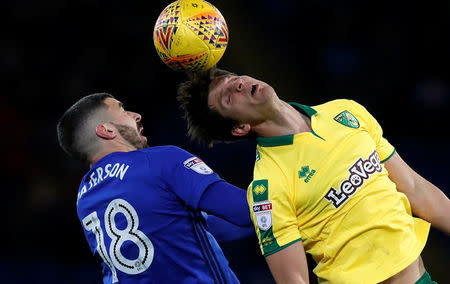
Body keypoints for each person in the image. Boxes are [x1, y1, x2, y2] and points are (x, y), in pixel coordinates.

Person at [176, 67, 450, 284]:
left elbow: (415, 188)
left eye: (232, 77)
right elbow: (294, 280)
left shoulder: (346, 111)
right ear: (240, 127)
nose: (236, 84)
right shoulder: (268, 186)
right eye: (227, 97)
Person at [56, 93, 254, 283]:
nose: (136, 115)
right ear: (107, 130)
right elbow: (244, 211)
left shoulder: (85, 197)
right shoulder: (160, 160)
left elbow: (183, 228)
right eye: (123, 110)